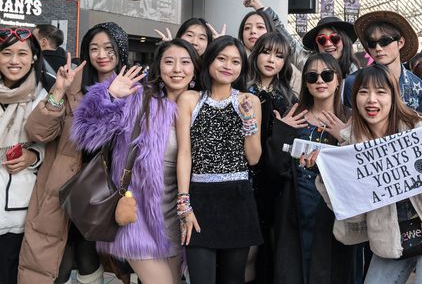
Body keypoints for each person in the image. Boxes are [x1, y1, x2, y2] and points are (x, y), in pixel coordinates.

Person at [316, 64, 422, 284]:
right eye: (363, 92)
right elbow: (353, 214)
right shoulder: (351, 148)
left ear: (394, 97)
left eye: (380, 92)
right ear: (355, 99)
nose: (371, 99)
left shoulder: (421, 128)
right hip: (391, 242)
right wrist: (328, 177)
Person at [70, 39, 200, 283]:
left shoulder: (200, 106)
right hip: (136, 217)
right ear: (158, 68)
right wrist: (108, 96)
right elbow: (85, 134)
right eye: (169, 62)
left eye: (185, 62)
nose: (177, 69)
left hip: (176, 219)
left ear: (195, 69)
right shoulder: (139, 99)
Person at [19, 22, 130, 284]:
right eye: (94, 48)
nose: (101, 55)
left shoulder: (136, 87)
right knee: (55, 262)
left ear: (121, 50)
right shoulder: (72, 83)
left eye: (108, 47)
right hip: (65, 190)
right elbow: (38, 133)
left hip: (108, 193)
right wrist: (58, 90)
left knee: (91, 259)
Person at [176, 36, 263, 284]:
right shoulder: (190, 99)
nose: (228, 66)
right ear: (210, 61)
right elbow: (184, 154)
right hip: (200, 198)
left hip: (238, 198)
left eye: (236, 61)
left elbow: (254, 158)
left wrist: (248, 120)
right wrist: (184, 204)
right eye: (221, 58)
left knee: (233, 279)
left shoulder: (250, 101)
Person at [265, 53, 355, 283]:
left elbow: (361, 169)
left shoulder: (352, 119)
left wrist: (344, 136)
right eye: (312, 76)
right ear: (305, 82)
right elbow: (274, 168)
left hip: (335, 211)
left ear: (338, 80)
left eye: (326, 75)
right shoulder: (294, 116)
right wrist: (281, 131)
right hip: (294, 206)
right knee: (292, 269)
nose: (320, 81)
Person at [245, 32, 296, 282]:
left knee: (269, 246)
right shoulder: (240, 88)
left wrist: (282, 127)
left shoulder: (288, 97)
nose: (271, 60)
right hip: (242, 177)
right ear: (256, 53)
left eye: (279, 56)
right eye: (266, 52)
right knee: (245, 250)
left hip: (273, 181)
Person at [0, 28, 47, 284]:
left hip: (16, 208)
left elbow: (50, 142)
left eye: (22, 53)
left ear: (34, 58)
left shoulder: (44, 95)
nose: (14, 60)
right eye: (6, 53)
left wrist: (33, 156)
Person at [343, 11, 422, 111]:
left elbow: (420, 124)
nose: (378, 48)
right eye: (372, 43)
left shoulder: (417, 84)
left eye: (385, 41)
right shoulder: (354, 82)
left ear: (401, 42)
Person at [155, 17, 226, 57]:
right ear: (179, 37)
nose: (194, 42)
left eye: (201, 38)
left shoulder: (210, 71)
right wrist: (168, 50)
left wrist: (220, 46)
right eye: (189, 35)